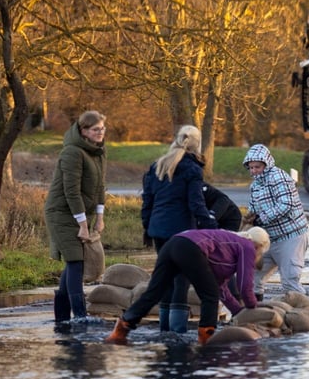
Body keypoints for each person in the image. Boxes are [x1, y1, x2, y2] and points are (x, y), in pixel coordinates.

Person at [105, 227, 270, 346]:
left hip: (173, 243)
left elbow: (220, 288)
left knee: (154, 293)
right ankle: (206, 340)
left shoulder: (227, 247)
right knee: (209, 297)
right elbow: (244, 284)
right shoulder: (247, 245)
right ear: (259, 247)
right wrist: (252, 306)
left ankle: (120, 331)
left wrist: (239, 312)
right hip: (190, 247)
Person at [141, 125, 218, 333]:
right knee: (181, 280)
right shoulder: (192, 169)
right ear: (197, 143)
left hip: (158, 230)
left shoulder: (157, 165)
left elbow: (147, 201)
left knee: (165, 279)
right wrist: (213, 228)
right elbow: (196, 204)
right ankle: (178, 333)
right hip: (182, 232)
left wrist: (147, 228)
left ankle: (164, 330)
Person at [44, 110, 107, 323]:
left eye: (102, 128)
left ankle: (61, 319)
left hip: (79, 213)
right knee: (76, 261)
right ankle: (80, 317)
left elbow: (100, 186)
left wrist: (99, 217)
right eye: (96, 129)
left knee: (74, 263)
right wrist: (82, 224)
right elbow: (71, 191)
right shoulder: (72, 152)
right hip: (61, 213)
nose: (101, 133)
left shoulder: (97, 152)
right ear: (84, 131)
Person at [242, 144, 309, 297]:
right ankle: (255, 311)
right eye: (251, 168)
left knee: (290, 281)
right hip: (269, 239)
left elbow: (286, 205)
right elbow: (253, 208)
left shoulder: (279, 177)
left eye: (257, 167)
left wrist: (262, 219)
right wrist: (248, 218)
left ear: (266, 164)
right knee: (252, 277)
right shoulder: (255, 186)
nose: (254, 171)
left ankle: (306, 313)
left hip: (291, 237)